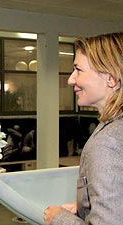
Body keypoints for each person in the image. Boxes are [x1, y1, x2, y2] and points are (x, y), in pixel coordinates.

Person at [44, 32, 123, 224]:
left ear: (111, 78)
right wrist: (86, 205)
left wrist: (58, 218)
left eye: (78, 70)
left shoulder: (108, 142)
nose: (71, 79)